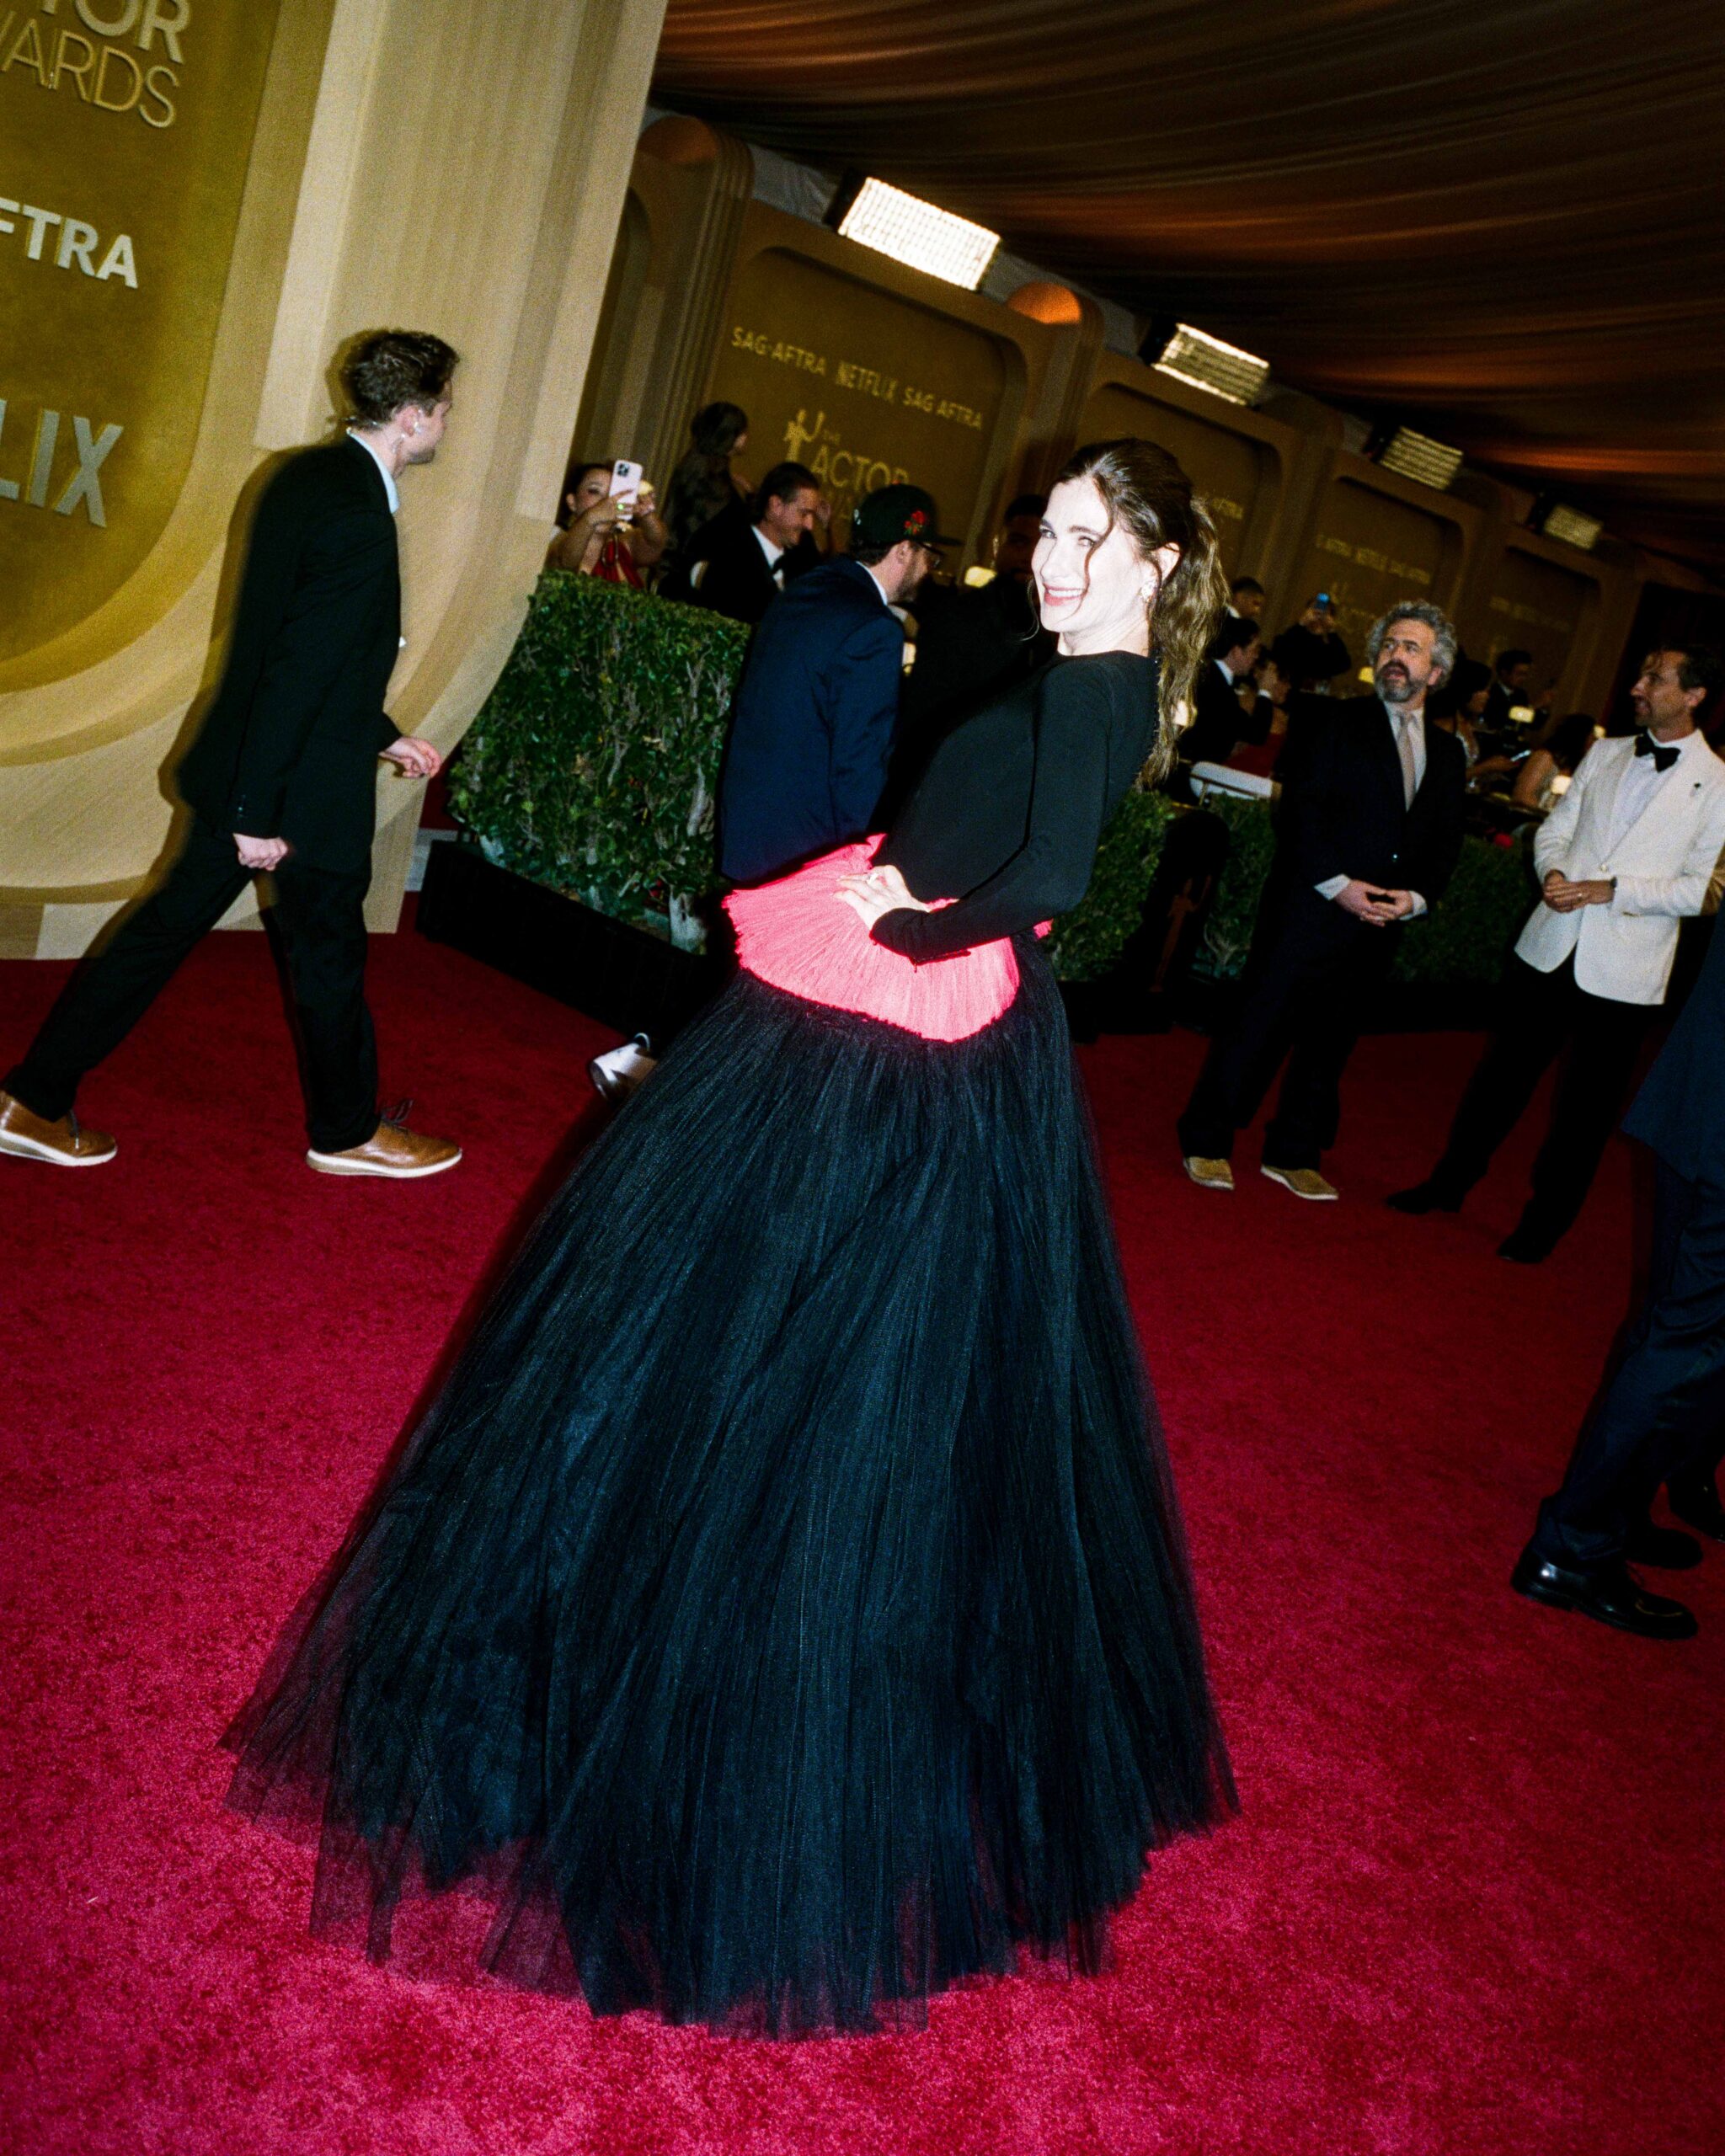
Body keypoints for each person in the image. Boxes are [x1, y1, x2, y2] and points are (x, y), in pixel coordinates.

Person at [223, 436, 1235, 2038]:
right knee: (753, 1372)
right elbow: (1032, 866)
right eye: (1045, 532)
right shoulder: (1092, 675)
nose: (1054, 564)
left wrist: (907, 922)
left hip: (888, 1047)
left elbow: (1048, 876)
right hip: (906, 1046)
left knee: (764, 1382)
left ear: (1159, 565)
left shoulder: (1102, 690)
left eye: (1091, 543)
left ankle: (699, 1745)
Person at [0, 330, 462, 1180]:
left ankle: (33, 1095)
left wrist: (380, 732)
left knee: (159, 934)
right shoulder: (359, 515)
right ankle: (347, 1130)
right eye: (441, 409)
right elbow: (292, 667)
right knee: (327, 957)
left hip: (265, 760)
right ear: (408, 415)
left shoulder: (304, 473)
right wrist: (257, 813)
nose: (445, 422)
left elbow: (305, 646)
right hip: (291, 791)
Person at [1388, 649, 1725, 1261]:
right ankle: (1449, 1182)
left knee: (1584, 1112)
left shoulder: (1719, 783)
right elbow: (1556, 828)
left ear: (1695, 696)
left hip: (1625, 970)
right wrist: (1554, 871)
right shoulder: (1605, 751)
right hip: (1550, 943)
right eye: (1641, 674)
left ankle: (1545, 1225)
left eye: (1655, 680)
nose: (1637, 687)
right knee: (1498, 1080)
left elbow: (1704, 890)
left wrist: (1611, 890)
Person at [1178, 603, 1468, 1200]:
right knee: (1259, 1022)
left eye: (1412, 648)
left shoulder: (1448, 753)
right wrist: (1340, 885)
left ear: (1436, 672)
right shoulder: (1332, 720)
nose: (1396, 656)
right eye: (1389, 644)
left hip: (1380, 923)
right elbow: (1301, 810)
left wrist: (1412, 900)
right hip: (1311, 905)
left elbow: (1443, 841)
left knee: (1331, 1041)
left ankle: (1293, 1151)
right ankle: (1207, 1139)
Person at [1509, 894, 1725, 1641]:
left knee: (1668, 1330)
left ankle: (1614, 1512)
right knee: (1689, 1347)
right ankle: (1573, 1550)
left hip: (1700, 1103)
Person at [718, 484, 938, 889]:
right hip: (806, 858)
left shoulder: (804, 590)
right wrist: (867, 867)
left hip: (749, 835)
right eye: (929, 556)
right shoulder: (874, 630)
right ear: (905, 550)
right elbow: (858, 766)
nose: (929, 570)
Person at [886, 492, 1053, 805]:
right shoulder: (956, 618)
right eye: (1018, 542)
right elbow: (920, 722)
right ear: (996, 547)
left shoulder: (1056, 634)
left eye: (1040, 546)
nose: (1028, 557)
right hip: (935, 789)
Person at [681, 462, 821, 627]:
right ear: (776, 506)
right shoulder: (730, 560)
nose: (810, 525)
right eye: (804, 514)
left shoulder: (802, 564)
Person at [543, 460, 668, 584]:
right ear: (572, 502)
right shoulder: (556, 543)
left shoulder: (623, 547)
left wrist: (646, 514)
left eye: (611, 493)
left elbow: (655, 543)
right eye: (594, 491)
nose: (606, 501)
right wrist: (590, 519)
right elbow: (565, 562)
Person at [661, 398, 750, 560]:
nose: (746, 437)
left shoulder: (705, 465)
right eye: (743, 431)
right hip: (690, 564)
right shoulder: (706, 471)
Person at [1179, 612, 1263, 769]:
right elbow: (1256, 734)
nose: (1256, 657)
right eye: (1254, 650)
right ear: (1237, 651)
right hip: (1189, 772)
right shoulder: (1216, 685)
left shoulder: (1214, 677)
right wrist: (1266, 691)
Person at [1509, 711, 1597, 814]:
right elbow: (1522, 795)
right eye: (1592, 737)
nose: (1594, 742)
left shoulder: (1577, 767)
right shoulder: (1545, 757)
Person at [1271, 593, 1351, 694]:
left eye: (1324, 613)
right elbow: (1279, 653)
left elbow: (1344, 664)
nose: (1318, 616)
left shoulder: (1328, 649)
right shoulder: (1293, 637)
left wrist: (1332, 632)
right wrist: (1301, 623)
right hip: (1287, 693)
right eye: (1315, 610)